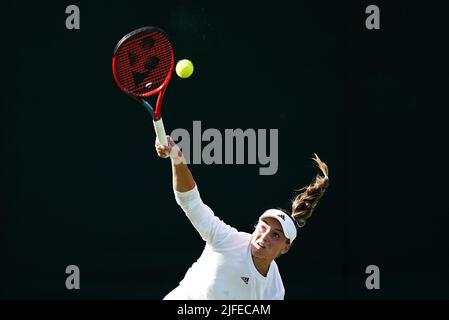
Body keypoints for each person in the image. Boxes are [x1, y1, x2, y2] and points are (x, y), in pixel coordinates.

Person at [155, 136, 329, 300]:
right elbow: (190, 201)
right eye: (263, 227)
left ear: (285, 248)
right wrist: (177, 157)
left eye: (276, 235)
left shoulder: (274, 290)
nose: (265, 236)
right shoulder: (225, 239)